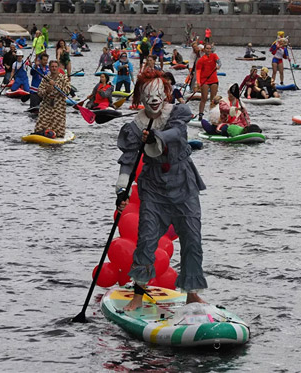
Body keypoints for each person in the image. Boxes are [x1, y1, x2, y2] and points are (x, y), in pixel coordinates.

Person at [115, 69, 207, 311]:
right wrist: (122, 190)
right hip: (154, 187)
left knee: (192, 238)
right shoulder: (135, 126)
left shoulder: (178, 112)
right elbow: (128, 159)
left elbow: (176, 133)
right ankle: (138, 292)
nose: (154, 100)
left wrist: (156, 136)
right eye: (148, 96)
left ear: (166, 94)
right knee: (146, 239)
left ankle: (192, 292)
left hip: (183, 183)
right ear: (141, 98)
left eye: (158, 94)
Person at [34, 60, 70, 138]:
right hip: (46, 106)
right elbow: (39, 92)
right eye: (52, 67)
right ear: (49, 68)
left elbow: (67, 91)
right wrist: (47, 90)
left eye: (55, 67)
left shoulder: (63, 78)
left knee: (59, 133)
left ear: (58, 68)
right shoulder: (46, 78)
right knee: (39, 129)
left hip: (59, 107)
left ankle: (57, 134)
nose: (54, 68)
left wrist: (56, 85)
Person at [196, 44, 221, 121]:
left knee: (213, 99)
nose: (208, 50)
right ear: (204, 50)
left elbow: (219, 62)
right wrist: (198, 82)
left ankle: (213, 114)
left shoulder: (214, 56)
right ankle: (200, 114)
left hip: (214, 80)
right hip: (204, 81)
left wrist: (218, 66)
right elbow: (198, 72)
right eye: (207, 48)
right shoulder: (201, 60)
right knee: (204, 98)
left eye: (210, 49)